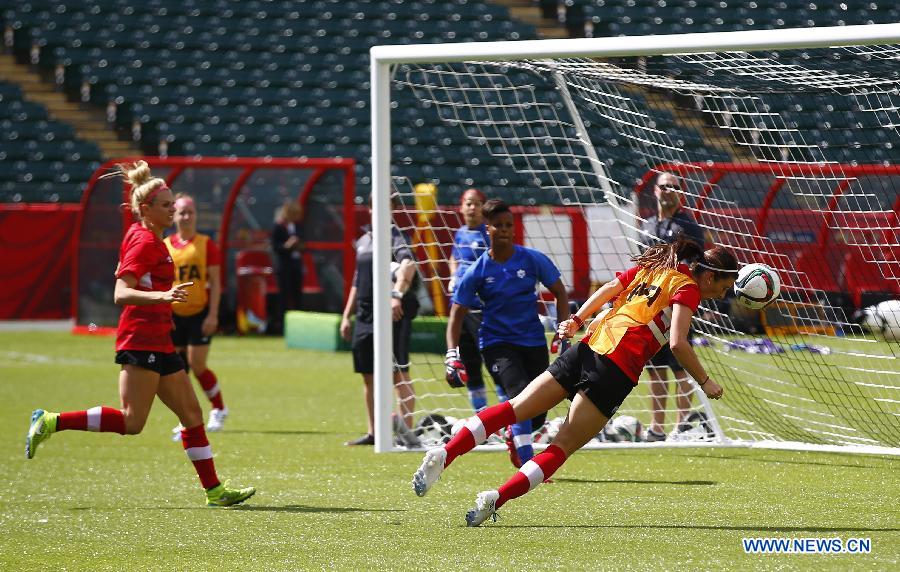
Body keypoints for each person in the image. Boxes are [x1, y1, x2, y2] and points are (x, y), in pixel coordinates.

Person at [413, 237, 736, 526]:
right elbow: (679, 343)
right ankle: (495, 498)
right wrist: (706, 381)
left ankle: (446, 452)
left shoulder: (653, 269)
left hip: (588, 346)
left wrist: (577, 320)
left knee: (514, 409)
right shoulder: (688, 287)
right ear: (709, 275)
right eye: (723, 286)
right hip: (615, 368)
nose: (722, 294)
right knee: (562, 446)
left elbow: (609, 290)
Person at [25, 161, 255, 507]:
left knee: (192, 415)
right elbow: (121, 292)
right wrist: (161, 297)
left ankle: (214, 490)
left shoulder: (147, 235)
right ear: (147, 210)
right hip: (140, 340)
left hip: (160, 339)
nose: (174, 209)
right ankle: (51, 421)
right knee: (133, 423)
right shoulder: (146, 241)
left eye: (173, 204)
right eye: (166, 205)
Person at [444, 199, 569, 469]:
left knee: (537, 412)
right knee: (519, 394)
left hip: (534, 341)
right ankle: (528, 464)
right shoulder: (478, 269)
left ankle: (514, 433)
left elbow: (560, 292)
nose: (504, 230)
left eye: (508, 225)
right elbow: (456, 314)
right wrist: (452, 354)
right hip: (496, 343)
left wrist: (563, 330)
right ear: (487, 229)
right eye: (498, 225)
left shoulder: (532, 259)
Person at [340, 194, 419, 446]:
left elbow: (409, 265)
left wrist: (396, 296)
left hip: (391, 313)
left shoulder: (396, 237)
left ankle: (406, 432)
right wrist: (346, 315)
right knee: (368, 375)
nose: (379, 210)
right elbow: (356, 280)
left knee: (399, 372)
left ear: (393, 210)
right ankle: (374, 432)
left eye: (386, 206)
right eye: (376, 205)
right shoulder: (363, 240)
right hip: (365, 314)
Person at [641, 172, 707, 441]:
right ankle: (657, 428)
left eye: (674, 187)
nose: (669, 190)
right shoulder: (646, 226)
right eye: (664, 186)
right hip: (650, 305)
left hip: (678, 305)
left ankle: (683, 426)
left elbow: (698, 268)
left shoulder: (689, 227)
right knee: (655, 369)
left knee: (680, 367)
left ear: (681, 193)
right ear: (655, 191)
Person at [164, 193, 228, 437]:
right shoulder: (167, 245)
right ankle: (187, 418)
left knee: (197, 364)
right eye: (182, 212)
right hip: (175, 314)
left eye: (190, 212)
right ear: (174, 215)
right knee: (179, 370)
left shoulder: (205, 244)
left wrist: (213, 315)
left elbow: (215, 282)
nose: (186, 216)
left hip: (199, 312)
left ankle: (219, 408)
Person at [447, 188, 507, 411]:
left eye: (476, 203)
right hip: (462, 309)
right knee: (470, 365)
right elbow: (454, 256)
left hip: (484, 311)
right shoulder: (460, 233)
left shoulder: (488, 233)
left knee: (494, 363)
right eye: (468, 203)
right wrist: (453, 276)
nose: (472, 207)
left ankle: (507, 416)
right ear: (461, 207)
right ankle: (481, 417)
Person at [272, 200, 305, 318]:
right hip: (284, 266)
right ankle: (282, 323)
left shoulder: (298, 226)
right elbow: (275, 246)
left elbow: (304, 243)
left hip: (296, 264)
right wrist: (286, 245)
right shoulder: (278, 226)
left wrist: (299, 245)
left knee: (297, 294)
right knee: (284, 296)